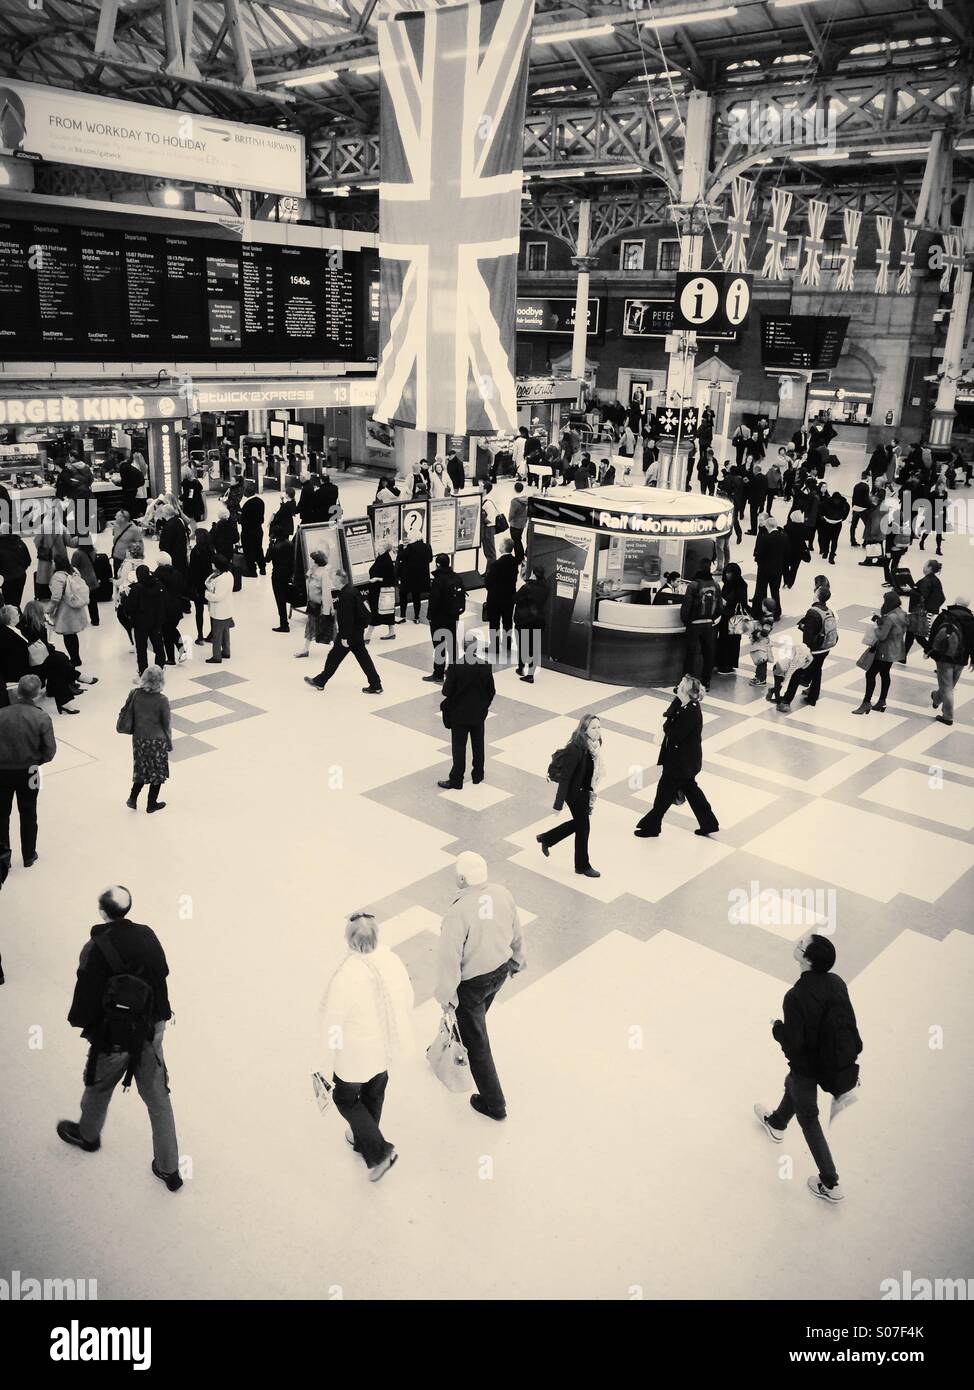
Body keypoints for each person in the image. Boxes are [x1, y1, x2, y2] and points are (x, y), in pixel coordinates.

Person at [58, 885, 181, 1192]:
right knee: (158, 1099)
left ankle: (87, 1135)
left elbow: (85, 994)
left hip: (114, 1035)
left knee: (98, 1086)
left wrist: (83, 1023)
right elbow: (162, 972)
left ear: (103, 912)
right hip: (152, 1028)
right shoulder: (148, 935)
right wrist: (158, 1018)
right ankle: (169, 1169)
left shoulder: (97, 946)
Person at [754, 933, 862, 1205]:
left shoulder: (796, 996)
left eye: (801, 945)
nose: (797, 945)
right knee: (792, 1085)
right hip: (832, 1061)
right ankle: (777, 1123)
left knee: (809, 1118)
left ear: (807, 959)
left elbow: (794, 1044)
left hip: (807, 1066)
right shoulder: (836, 982)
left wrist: (777, 1029)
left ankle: (830, 1182)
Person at [319, 911, 414, 1183]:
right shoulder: (391, 960)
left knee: (346, 1099)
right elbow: (408, 996)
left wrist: (319, 1061)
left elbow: (332, 1024)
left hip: (355, 1054)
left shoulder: (345, 977)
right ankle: (363, 1141)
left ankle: (379, 1151)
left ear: (348, 940)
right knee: (375, 1093)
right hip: (385, 1049)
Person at [434, 851, 526, 1121]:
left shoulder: (458, 911)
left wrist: (445, 995)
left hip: (471, 983)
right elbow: (517, 929)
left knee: (477, 1042)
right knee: (472, 1020)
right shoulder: (502, 893)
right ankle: (441, 1046)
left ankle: (494, 1104)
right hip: (499, 971)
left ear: (462, 878)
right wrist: (518, 959)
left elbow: (449, 958)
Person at [635, 676, 719, 839]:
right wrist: (670, 718)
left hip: (680, 763)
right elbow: (670, 713)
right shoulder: (683, 703)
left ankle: (652, 826)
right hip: (684, 761)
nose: (677, 686)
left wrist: (667, 724)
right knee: (691, 791)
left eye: (680, 685)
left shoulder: (691, 712)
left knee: (663, 795)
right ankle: (709, 822)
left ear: (686, 692)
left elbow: (675, 735)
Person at [0, 674, 56, 888]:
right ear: (38, 692)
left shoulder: (1, 714)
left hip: (2, 771)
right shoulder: (41, 717)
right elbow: (50, 750)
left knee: (2, 813)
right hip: (31, 771)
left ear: (17, 691)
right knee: (29, 811)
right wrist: (37, 761)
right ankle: (29, 855)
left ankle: (3, 856)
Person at [536, 712, 603, 877]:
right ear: (584, 729)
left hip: (585, 791)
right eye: (593, 727)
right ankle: (582, 866)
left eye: (599, 727)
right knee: (584, 828)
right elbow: (565, 779)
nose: (597, 731)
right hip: (574, 794)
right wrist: (558, 805)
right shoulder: (575, 748)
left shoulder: (595, 745)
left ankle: (547, 838)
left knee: (580, 824)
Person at [305, 571, 382, 695]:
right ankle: (376, 684)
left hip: (349, 634)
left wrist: (345, 637)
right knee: (363, 658)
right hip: (357, 631)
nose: (332, 581)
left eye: (334, 579)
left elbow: (347, 618)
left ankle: (320, 681)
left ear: (339, 581)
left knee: (334, 657)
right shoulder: (352, 590)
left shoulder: (345, 596)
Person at [437, 632, 495, 789]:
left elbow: (446, 692)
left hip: (459, 714)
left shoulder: (456, 666)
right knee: (478, 744)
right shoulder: (486, 665)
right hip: (478, 714)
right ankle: (478, 775)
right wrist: (483, 706)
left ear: (463, 648)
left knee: (459, 747)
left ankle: (456, 779)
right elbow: (491, 691)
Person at [118, 665, 173, 812]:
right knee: (157, 772)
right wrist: (169, 742)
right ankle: (151, 804)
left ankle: (132, 798)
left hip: (139, 739)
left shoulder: (135, 694)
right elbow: (166, 723)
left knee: (141, 769)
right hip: (156, 740)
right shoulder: (162, 700)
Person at [777, 585, 838, 711]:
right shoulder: (829, 611)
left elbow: (807, 638)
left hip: (812, 649)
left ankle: (786, 701)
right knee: (817, 670)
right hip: (825, 648)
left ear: (817, 595)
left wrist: (803, 652)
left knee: (797, 672)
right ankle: (812, 698)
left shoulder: (813, 612)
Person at [854, 592, 908, 715]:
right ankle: (882, 701)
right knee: (885, 673)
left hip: (884, 651)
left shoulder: (890, 618)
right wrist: (882, 621)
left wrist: (877, 627)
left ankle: (866, 702)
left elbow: (882, 636)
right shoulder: (902, 613)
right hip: (896, 649)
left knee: (870, 674)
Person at [927, 595, 974, 726]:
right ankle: (936, 698)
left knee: (947, 686)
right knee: (949, 685)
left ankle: (947, 717)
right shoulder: (971, 620)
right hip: (961, 658)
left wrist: (930, 651)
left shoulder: (945, 616)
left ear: (955, 602)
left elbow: (933, 634)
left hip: (944, 656)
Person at [680, 561, 723, 690]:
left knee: (690, 655)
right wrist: (711, 619)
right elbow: (720, 607)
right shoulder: (716, 585)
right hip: (709, 625)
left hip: (694, 625)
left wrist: (687, 621)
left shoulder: (694, 585)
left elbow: (686, 607)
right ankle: (706, 682)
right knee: (708, 654)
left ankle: (687, 682)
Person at [424, 553, 465, 683]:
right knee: (452, 644)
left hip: (439, 618)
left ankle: (438, 673)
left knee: (439, 646)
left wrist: (430, 616)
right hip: (453, 616)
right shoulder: (456, 577)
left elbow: (434, 600)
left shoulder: (438, 580)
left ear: (437, 564)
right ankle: (453, 671)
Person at [48, 553, 91, 672]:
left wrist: (47, 611)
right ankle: (76, 657)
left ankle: (75, 659)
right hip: (76, 608)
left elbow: (56, 598)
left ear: (56, 564)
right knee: (72, 635)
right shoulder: (74, 571)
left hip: (65, 611)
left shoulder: (58, 576)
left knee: (68, 636)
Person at [126, 565, 167, 674]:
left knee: (141, 649)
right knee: (158, 647)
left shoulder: (136, 589)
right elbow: (164, 602)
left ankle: (143, 672)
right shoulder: (159, 585)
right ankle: (160, 669)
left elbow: (129, 608)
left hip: (140, 624)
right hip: (156, 622)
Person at [484, 536, 518, 662]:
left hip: (496, 598)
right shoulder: (514, 561)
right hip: (509, 597)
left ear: (503, 547)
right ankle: (507, 644)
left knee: (494, 623)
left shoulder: (496, 564)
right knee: (508, 621)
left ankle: (495, 646)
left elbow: (488, 582)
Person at [296, 549, 334, 658]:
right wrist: (311, 571)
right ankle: (305, 649)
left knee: (330, 628)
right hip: (313, 604)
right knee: (311, 626)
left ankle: (339, 648)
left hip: (321, 606)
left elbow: (326, 593)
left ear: (318, 561)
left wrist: (326, 610)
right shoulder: (314, 571)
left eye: (313, 560)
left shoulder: (324, 574)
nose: (312, 562)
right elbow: (308, 581)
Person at [904, 558, 944, 659]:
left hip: (920, 612)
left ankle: (936, 657)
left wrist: (910, 590)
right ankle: (902, 656)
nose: (923, 567)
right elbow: (942, 597)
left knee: (919, 636)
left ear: (929, 568)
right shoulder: (936, 580)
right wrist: (933, 609)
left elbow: (922, 596)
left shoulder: (926, 581)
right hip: (926, 612)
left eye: (925, 565)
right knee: (911, 632)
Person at [751, 514, 789, 620]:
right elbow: (786, 554)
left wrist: (759, 561)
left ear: (767, 526)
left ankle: (758, 612)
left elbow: (760, 554)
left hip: (764, 569)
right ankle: (776, 612)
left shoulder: (766, 538)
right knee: (775, 591)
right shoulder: (784, 536)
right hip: (777, 569)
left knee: (761, 590)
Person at [514, 565, 548, 682]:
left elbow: (515, 599)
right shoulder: (545, 588)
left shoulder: (526, 587)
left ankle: (521, 667)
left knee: (522, 645)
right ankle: (531, 674)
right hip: (539, 620)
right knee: (534, 647)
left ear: (533, 574)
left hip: (524, 620)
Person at [714, 562, 748, 675]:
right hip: (727, 616)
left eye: (730, 573)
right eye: (726, 572)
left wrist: (727, 602)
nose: (728, 575)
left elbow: (741, 601)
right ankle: (722, 662)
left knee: (730, 641)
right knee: (725, 639)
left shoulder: (741, 585)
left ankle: (727, 665)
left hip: (733, 618)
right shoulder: (728, 584)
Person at [155, 563, 188, 666]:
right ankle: (180, 653)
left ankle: (172, 657)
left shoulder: (160, 578)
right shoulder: (177, 574)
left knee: (167, 633)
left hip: (166, 610)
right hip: (177, 608)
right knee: (172, 630)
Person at [204, 555, 234, 665]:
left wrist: (207, 595)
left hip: (219, 612)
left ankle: (216, 656)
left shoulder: (221, 579)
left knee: (216, 635)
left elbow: (217, 597)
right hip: (227, 610)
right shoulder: (229, 575)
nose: (211, 565)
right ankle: (226, 651)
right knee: (226, 632)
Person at [187, 527, 214, 646]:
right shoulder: (211, 550)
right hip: (209, 584)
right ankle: (212, 634)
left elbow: (192, 571)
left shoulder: (195, 551)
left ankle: (200, 635)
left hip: (198, 585)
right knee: (211, 611)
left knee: (199, 612)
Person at [397, 534, 432, 623]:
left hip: (408, 577)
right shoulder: (427, 546)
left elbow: (400, 556)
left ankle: (402, 616)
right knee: (416, 597)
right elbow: (430, 559)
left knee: (403, 595)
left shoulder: (410, 547)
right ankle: (416, 617)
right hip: (420, 577)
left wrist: (400, 546)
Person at [366, 542, 397, 642]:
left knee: (376, 611)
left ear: (384, 548)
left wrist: (376, 579)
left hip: (380, 591)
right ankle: (391, 632)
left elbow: (390, 578)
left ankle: (367, 636)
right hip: (380, 590)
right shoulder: (382, 558)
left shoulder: (385, 560)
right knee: (387, 611)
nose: (376, 548)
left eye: (379, 546)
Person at [266, 528, 295, 633]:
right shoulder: (290, 544)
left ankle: (284, 624)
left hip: (277, 575)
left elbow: (267, 559)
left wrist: (270, 545)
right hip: (287, 574)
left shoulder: (275, 547)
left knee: (280, 600)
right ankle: (284, 622)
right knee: (284, 597)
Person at [0, 524, 31, 612]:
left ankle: (12, 619)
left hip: (6, 579)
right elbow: (28, 560)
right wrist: (20, 570)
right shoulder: (19, 542)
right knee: (16, 602)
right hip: (20, 577)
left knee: (9, 603)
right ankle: (17, 614)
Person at [239, 481, 266, 578]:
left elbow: (243, 520)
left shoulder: (246, 505)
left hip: (248, 532)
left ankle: (252, 571)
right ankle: (262, 568)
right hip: (258, 530)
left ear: (246, 492)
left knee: (248, 551)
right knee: (258, 549)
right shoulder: (260, 501)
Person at [817, 490, 849, 564]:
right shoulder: (827, 502)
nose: (836, 501)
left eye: (838, 499)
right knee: (826, 539)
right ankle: (826, 551)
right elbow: (820, 507)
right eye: (835, 499)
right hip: (827, 523)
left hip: (837, 524)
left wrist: (844, 517)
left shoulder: (844, 503)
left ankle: (831, 556)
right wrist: (822, 516)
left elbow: (847, 509)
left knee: (834, 540)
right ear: (833, 498)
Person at [158, 505, 189, 577]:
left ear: (165, 513)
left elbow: (164, 546)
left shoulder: (168, 526)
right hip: (182, 552)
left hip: (173, 557)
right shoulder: (180, 520)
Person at [118, 453, 147, 520]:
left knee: (134, 508)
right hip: (141, 490)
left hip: (134, 490)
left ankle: (92, 528)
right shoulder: (144, 466)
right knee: (140, 508)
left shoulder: (132, 466)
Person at [508, 482, 529, 566]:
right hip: (522, 523)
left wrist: (509, 519)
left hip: (515, 523)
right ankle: (520, 557)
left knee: (516, 541)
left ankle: (519, 558)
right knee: (518, 540)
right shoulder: (525, 499)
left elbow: (512, 513)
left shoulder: (514, 501)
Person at [178, 464, 205, 529]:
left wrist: (180, 498)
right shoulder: (195, 481)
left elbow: (189, 494)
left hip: (190, 505)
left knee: (189, 518)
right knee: (192, 519)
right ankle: (193, 532)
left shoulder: (186, 483)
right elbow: (200, 488)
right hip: (197, 503)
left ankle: (190, 531)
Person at [849, 477, 871, 547]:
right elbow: (866, 499)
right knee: (868, 525)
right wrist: (870, 506)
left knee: (853, 526)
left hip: (855, 508)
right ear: (868, 477)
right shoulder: (866, 487)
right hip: (863, 509)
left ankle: (852, 541)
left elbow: (853, 497)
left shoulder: (856, 485)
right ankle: (865, 542)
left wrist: (853, 508)